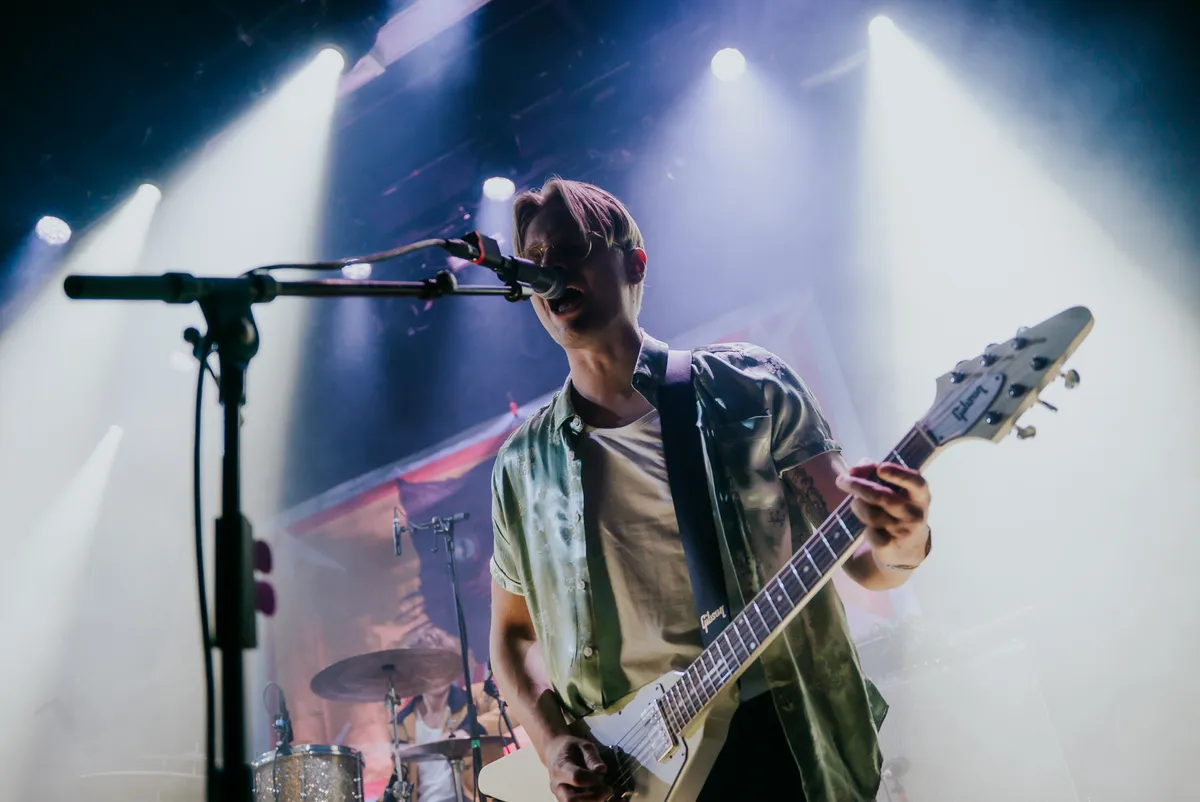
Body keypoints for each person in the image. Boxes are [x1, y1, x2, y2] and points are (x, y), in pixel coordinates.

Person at [488, 179, 934, 802]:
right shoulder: (522, 466)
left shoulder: (749, 388)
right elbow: (512, 636)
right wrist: (551, 739)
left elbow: (864, 558)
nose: (549, 270)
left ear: (634, 264)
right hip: (626, 774)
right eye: (535, 260)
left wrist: (903, 537)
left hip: (775, 740)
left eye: (571, 249)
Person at [381, 625, 502, 802]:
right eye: (427, 667)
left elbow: (510, 710)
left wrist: (469, 730)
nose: (436, 673)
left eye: (442, 665)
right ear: (415, 673)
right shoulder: (400, 724)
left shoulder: (475, 697)